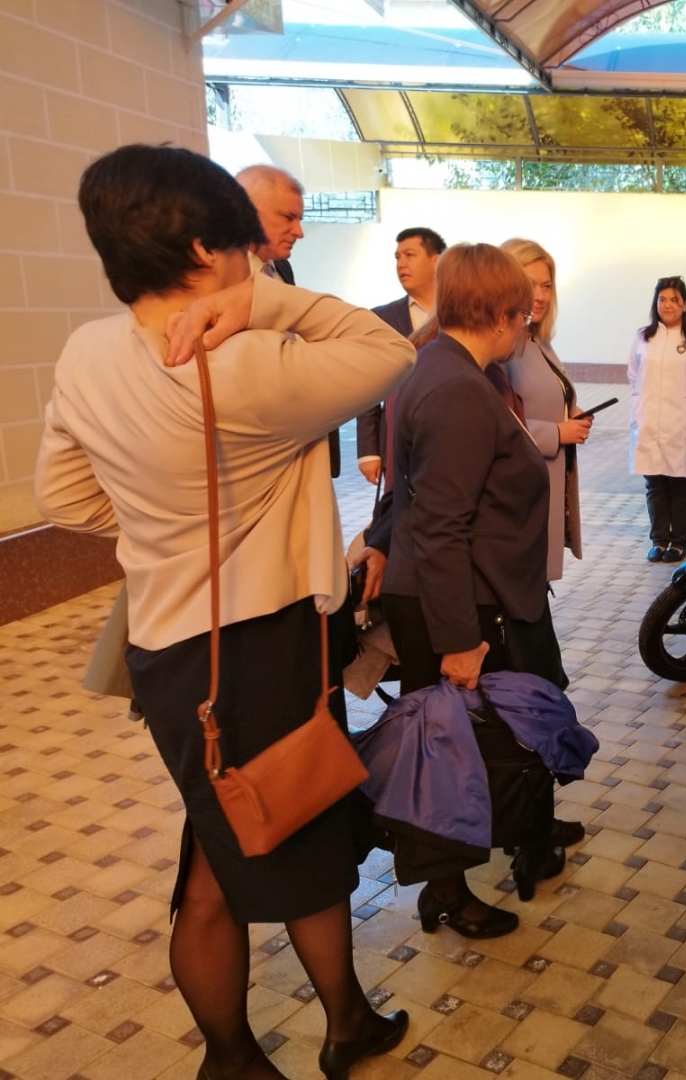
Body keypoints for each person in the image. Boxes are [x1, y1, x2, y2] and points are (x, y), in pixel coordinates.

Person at [34, 144, 415, 1080]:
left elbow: (63, 498)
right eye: (248, 247)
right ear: (208, 251)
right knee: (279, 830)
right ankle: (246, 1053)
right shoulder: (251, 363)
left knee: (232, 834)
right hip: (261, 645)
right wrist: (263, 305)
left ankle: (328, 1024)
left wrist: (161, 531)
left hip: (170, 651)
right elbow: (388, 347)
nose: (258, 261)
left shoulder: (87, 352)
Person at [380, 243, 574, 938]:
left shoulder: (446, 367)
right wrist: (461, 641)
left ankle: (485, 855)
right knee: (445, 753)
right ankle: (444, 891)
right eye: (522, 312)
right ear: (499, 314)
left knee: (465, 742)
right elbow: (440, 526)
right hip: (461, 603)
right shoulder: (459, 389)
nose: (527, 323)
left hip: (474, 592)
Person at [235, 164, 342, 479]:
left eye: (300, 219)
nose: (299, 232)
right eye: (288, 217)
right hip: (254, 450)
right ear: (247, 211)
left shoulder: (281, 269)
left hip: (299, 437)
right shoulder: (219, 278)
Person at [500, 237, 589, 581]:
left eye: (546, 286)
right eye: (530, 284)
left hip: (546, 482)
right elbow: (499, 422)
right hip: (520, 493)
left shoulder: (538, 341)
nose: (539, 295)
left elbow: (545, 396)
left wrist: (571, 412)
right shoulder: (502, 348)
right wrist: (557, 432)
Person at [627, 276, 686, 563]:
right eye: (662, 299)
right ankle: (658, 540)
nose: (667, 305)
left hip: (682, 425)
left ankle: (678, 542)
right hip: (649, 423)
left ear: (685, 305)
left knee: (680, 485)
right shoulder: (644, 337)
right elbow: (633, 374)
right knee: (655, 484)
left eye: (674, 300)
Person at [357, 227, 447, 486]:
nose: (401, 264)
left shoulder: (459, 312)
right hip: (398, 441)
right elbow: (369, 384)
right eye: (397, 257)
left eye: (409, 255)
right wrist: (368, 450)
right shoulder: (381, 318)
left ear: (436, 261)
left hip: (450, 433)